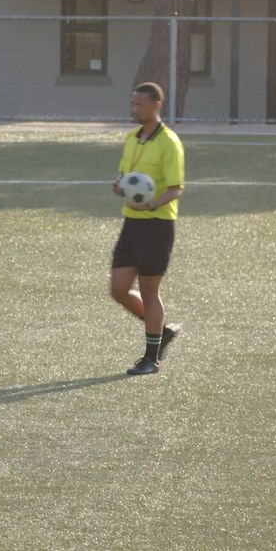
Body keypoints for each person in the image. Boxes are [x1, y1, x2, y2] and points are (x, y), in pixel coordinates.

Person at [110, 82, 184, 375]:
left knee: (149, 292)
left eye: (139, 104)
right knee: (118, 289)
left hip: (157, 225)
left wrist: (151, 205)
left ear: (156, 105)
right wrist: (120, 186)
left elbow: (175, 189)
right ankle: (161, 331)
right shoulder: (132, 138)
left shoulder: (169, 142)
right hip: (132, 222)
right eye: (132, 104)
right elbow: (125, 176)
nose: (134, 109)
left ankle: (151, 358)